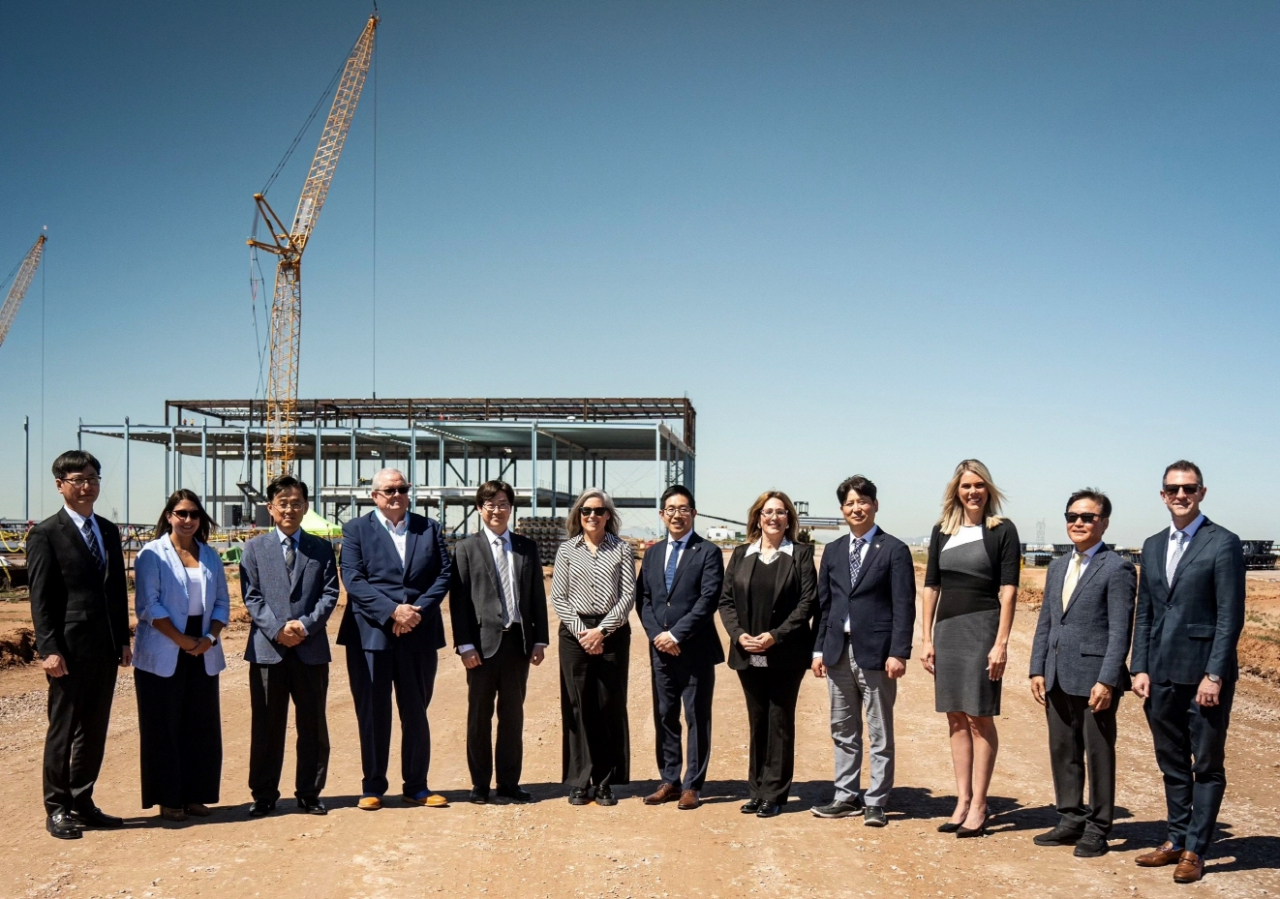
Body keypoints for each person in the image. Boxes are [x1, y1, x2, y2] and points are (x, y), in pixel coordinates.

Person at [1131, 461, 1245, 884]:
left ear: (1202, 492)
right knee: (1172, 763)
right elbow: (1146, 613)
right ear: (1162, 495)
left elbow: (1230, 616)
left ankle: (1196, 849)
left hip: (1203, 678)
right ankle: (1175, 839)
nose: (1181, 495)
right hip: (1159, 674)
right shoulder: (1153, 544)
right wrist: (1138, 666)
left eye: (1189, 488)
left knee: (1207, 765)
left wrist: (1214, 675)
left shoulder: (1223, 543)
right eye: (1173, 489)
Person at [27, 451, 132, 839]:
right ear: (60, 485)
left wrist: (123, 639)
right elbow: (40, 598)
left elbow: (117, 591)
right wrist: (48, 648)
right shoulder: (46, 533)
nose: (87, 486)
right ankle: (57, 808)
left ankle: (82, 800)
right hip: (67, 650)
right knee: (64, 729)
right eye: (77, 480)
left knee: (95, 728)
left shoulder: (107, 530)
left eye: (92, 478)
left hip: (104, 648)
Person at [337, 468, 453, 811]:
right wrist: (392, 612)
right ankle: (373, 785)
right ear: (374, 496)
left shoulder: (428, 528)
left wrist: (415, 612)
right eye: (389, 490)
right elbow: (354, 579)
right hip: (370, 634)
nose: (397, 494)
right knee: (373, 711)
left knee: (416, 711)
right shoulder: (356, 529)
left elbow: (444, 574)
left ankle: (416, 785)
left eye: (402, 488)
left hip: (419, 632)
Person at [1029, 489, 1136, 858]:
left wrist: (1108, 679)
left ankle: (1098, 827)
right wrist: (1036, 668)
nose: (1078, 522)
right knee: (1063, 750)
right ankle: (1070, 818)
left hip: (1095, 679)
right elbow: (1046, 621)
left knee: (1098, 752)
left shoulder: (1117, 567)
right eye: (1072, 515)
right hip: (1056, 673)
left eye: (1088, 517)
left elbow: (1122, 630)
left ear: (1103, 522)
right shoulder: (1058, 566)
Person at [920, 459, 1019, 837]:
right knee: (955, 716)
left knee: (979, 717)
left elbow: (1008, 588)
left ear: (988, 489)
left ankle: (980, 803)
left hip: (982, 630)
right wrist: (926, 638)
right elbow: (931, 585)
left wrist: (1001, 643)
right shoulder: (941, 531)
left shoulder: (1001, 530)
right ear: (956, 491)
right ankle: (961, 800)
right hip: (947, 630)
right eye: (965, 486)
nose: (972, 492)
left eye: (978, 485)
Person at [811, 476, 916, 827]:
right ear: (842, 510)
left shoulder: (894, 549)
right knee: (842, 727)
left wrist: (899, 652)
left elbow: (904, 605)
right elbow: (824, 605)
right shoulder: (834, 550)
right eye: (850, 503)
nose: (857, 508)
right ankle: (845, 796)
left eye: (863, 501)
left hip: (877, 652)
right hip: (837, 651)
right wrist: (817, 650)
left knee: (879, 729)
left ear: (875, 504)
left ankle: (876, 800)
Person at [240, 475, 340, 817]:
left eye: (296, 503)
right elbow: (251, 596)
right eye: (283, 503)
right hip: (269, 649)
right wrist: (278, 628)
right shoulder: (254, 549)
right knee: (267, 724)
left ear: (306, 506)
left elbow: (330, 593)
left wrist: (306, 625)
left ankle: (310, 792)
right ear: (270, 508)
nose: (290, 509)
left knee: (313, 724)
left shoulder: (321, 547)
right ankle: (264, 794)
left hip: (310, 650)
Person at [719, 490, 818, 818]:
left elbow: (807, 603)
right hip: (748, 652)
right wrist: (738, 635)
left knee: (779, 720)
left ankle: (775, 793)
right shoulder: (741, 554)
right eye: (766, 512)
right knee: (757, 720)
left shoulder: (801, 555)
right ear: (757, 518)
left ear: (789, 518)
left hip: (785, 654)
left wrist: (775, 636)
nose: (773, 518)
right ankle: (756, 789)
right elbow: (726, 600)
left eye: (780, 512)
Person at [449, 480, 550, 804]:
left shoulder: (525, 547)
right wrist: (464, 645)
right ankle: (480, 784)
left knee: (512, 717)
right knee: (478, 717)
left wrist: (540, 640)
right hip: (481, 646)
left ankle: (509, 783)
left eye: (503, 503)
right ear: (480, 509)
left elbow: (536, 597)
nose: (497, 510)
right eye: (490, 504)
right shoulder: (465, 549)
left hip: (517, 644)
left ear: (511, 508)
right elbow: (459, 601)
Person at [132, 490, 230, 822]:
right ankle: (169, 798)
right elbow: (149, 604)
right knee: (163, 725)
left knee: (200, 725)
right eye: (181, 513)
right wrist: (182, 640)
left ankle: (196, 795)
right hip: (164, 644)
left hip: (202, 646)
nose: (187, 520)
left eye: (194, 514)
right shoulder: (152, 554)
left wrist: (208, 638)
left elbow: (221, 603)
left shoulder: (211, 556)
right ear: (169, 516)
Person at [635, 485, 725, 811]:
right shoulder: (654, 553)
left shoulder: (709, 553)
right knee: (665, 715)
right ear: (662, 515)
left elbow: (708, 600)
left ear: (694, 513)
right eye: (670, 509)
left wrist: (676, 634)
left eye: (683, 508)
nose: (677, 514)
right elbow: (643, 599)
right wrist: (657, 634)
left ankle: (693, 785)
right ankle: (670, 780)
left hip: (695, 649)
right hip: (660, 650)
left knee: (696, 716)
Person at [552, 489, 636, 807]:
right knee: (578, 707)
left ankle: (604, 781)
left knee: (607, 705)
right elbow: (558, 596)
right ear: (578, 515)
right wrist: (582, 632)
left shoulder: (622, 550)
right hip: (574, 634)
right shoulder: (566, 551)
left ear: (608, 516)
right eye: (585, 511)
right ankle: (578, 780)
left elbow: (627, 595)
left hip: (611, 633)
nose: (591, 516)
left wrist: (601, 631)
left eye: (598, 511)